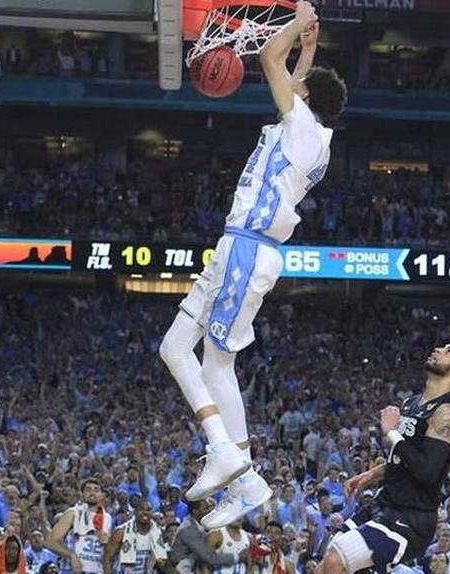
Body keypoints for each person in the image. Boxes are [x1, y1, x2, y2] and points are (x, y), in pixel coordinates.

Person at [158, 0, 346, 529]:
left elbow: (267, 55)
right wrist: (309, 49)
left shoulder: (303, 127)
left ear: (306, 98)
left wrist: (295, 19)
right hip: (236, 246)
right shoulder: (309, 132)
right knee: (174, 349)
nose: (291, 83)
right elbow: (291, 75)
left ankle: (233, 464)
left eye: (299, 83)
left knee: (217, 363)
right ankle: (240, 473)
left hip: (248, 248)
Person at [305, 337, 450, 574]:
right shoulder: (412, 403)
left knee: (337, 558)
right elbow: (403, 460)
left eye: (449, 350)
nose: (439, 349)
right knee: (320, 571)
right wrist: (369, 475)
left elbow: (427, 471)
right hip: (385, 503)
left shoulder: (447, 414)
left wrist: (390, 431)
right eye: (441, 345)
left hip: (411, 518)